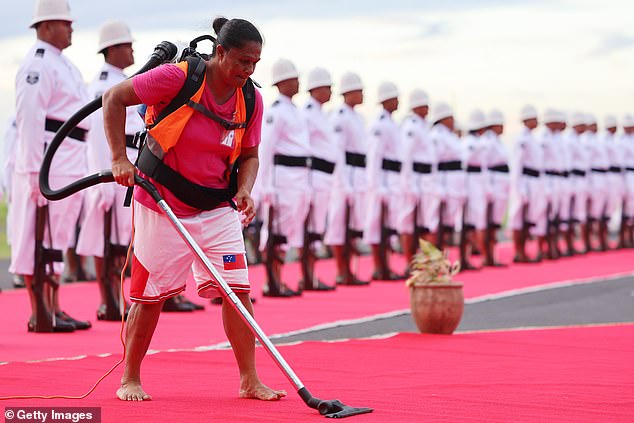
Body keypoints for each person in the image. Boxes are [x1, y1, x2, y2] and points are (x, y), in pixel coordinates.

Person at [103, 17, 286, 401]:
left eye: (255, 63)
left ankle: (249, 380)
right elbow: (113, 98)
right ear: (220, 52)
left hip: (216, 206)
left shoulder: (250, 98)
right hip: (161, 201)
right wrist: (120, 159)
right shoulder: (178, 77)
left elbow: (250, 154)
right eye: (242, 62)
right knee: (151, 297)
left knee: (238, 293)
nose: (248, 71)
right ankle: (130, 378)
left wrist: (246, 189)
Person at [10, 0, 91, 332]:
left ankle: (55, 306)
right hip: (47, 161)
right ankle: (38, 309)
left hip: (68, 160)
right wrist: (32, 173)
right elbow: (30, 120)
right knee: (36, 237)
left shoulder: (64, 65)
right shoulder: (38, 64)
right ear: (45, 27)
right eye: (64, 23)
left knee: (57, 237)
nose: (71, 28)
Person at [75, 21, 143, 321]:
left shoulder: (121, 80)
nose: (132, 49)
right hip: (115, 168)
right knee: (109, 240)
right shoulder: (104, 85)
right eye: (127, 45)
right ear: (112, 49)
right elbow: (100, 136)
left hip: (129, 163)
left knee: (122, 239)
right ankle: (109, 301)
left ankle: (118, 299)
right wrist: (105, 177)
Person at [258, 58, 311, 297]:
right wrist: (266, 184)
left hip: (299, 177)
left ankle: (279, 279)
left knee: (288, 229)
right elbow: (266, 149)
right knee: (277, 230)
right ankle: (273, 281)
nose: (298, 82)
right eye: (294, 78)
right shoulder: (276, 112)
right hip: (283, 178)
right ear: (283, 82)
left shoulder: (295, 111)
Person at [323, 72, 370, 286]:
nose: (362, 94)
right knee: (340, 225)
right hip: (345, 176)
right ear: (348, 93)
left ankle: (350, 270)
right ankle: (342, 271)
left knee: (354, 225)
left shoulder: (359, 118)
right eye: (358, 90)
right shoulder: (339, 117)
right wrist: (343, 183)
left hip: (358, 175)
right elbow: (338, 152)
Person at [300, 67, 338, 291]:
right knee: (309, 228)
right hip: (311, 176)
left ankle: (311, 275)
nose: (331, 91)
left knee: (316, 229)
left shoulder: (322, 114)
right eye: (327, 87)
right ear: (316, 88)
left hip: (324, 177)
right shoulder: (306, 114)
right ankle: (307, 275)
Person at [364, 81, 402, 280]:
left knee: (390, 227)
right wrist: (376, 185)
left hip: (393, 180)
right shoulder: (379, 124)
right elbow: (375, 156)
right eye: (394, 97)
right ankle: (380, 267)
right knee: (378, 227)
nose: (398, 101)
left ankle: (387, 266)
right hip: (383, 180)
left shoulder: (392, 123)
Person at [398, 89, 439, 271]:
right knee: (409, 223)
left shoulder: (424, 127)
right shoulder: (411, 127)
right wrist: (409, 184)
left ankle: (427, 263)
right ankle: (411, 263)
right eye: (424, 105)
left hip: (427, 179)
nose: (427, 109)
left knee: (427, 224)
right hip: (415, 178)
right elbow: (406, 157)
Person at [508, 105, 546, 262]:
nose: (537, 121)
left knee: (530, 219)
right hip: (525, 182)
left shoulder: (532, 138)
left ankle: (523, 251)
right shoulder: (521, 139)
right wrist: (519, 188)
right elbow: (517, 165)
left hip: (534, 181)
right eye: (534, 118)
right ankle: (519, 252)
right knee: (520, 219)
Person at [483, 109, 510, 266]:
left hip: (501, 183)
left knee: (495, 223)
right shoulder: (488, 142)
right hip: (493, 183)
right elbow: (484, 166)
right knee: (489, 223)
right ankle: (488, 256)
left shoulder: (497, 141)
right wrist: (488, 187)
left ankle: (493, 255)